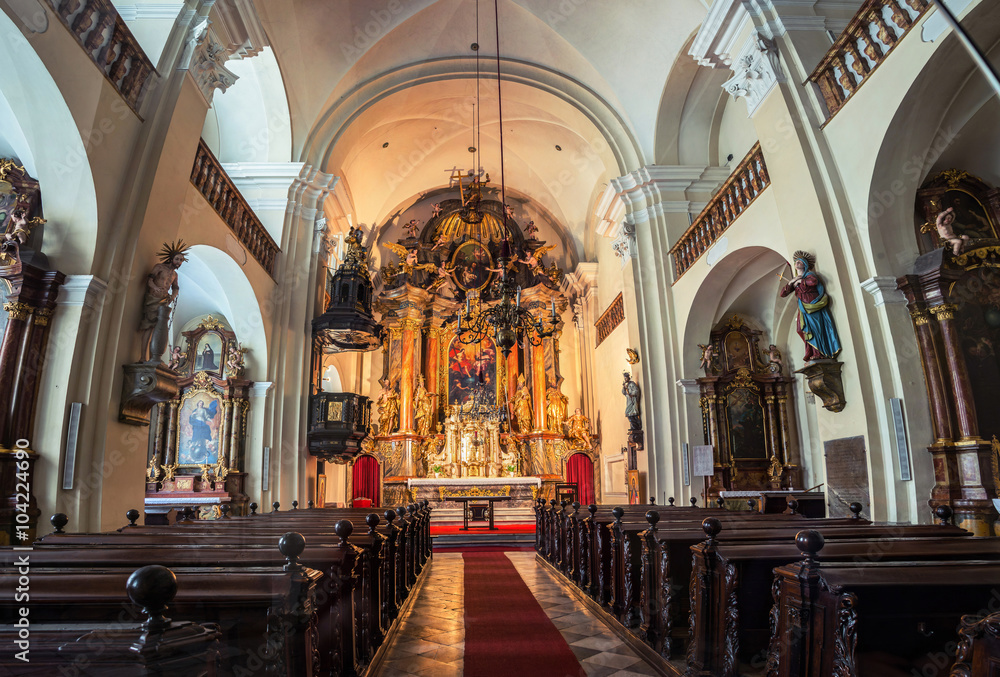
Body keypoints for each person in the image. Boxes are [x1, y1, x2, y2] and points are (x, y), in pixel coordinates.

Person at [779, 250, 842, 362]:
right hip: (803, 308)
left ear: (805, 264)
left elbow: (813, 282)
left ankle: (820, 353)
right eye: (796, 261)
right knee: (801, 329)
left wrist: (800, 281)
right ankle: (812, 351)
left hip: (812, 304)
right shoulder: (795, 280)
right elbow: (783, 294)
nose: (797, 263)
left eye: (800, 261)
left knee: (815, 328)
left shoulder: (809, 275)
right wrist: (792, 282)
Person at [139, 241, 188, 361]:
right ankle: (142, 357)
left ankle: (153, 357)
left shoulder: (175, 275)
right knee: (149, 327)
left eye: (181, 260)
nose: (179, 262)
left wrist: (172, 296)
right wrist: (155, 287)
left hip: (164, 300)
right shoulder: (159, 267)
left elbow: (176, 288)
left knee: (159, 327)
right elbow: (149, 279)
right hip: (153, 298)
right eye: (177, 259)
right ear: (171, 258)